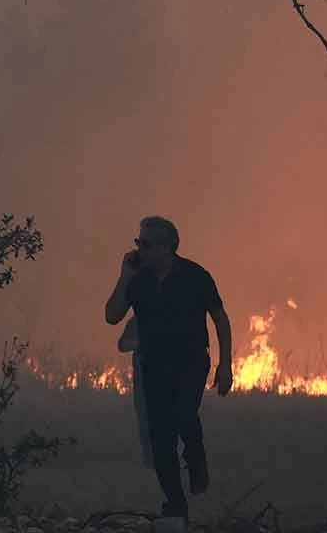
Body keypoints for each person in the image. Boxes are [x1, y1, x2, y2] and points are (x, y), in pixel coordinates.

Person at [104, 216, 233, 522]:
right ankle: (176, 505)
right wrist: (124, 276)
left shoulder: (195, 276)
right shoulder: (139, 280)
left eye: (146, 244)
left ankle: (196, 459)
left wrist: (225, 364)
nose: (140, 249)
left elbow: (220, 320)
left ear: (167, 247)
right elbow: (112, 316)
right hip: (153, 366)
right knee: (161, 440)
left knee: (184, 414)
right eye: (139, 243)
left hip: (190, 362)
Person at [117, 317, 155, 469]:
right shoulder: (137, 320)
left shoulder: (173, 315)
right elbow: (122, 344)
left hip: (168, 378)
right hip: (143, 380)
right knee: (145, 419)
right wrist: (143, 344)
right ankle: (149, 461)